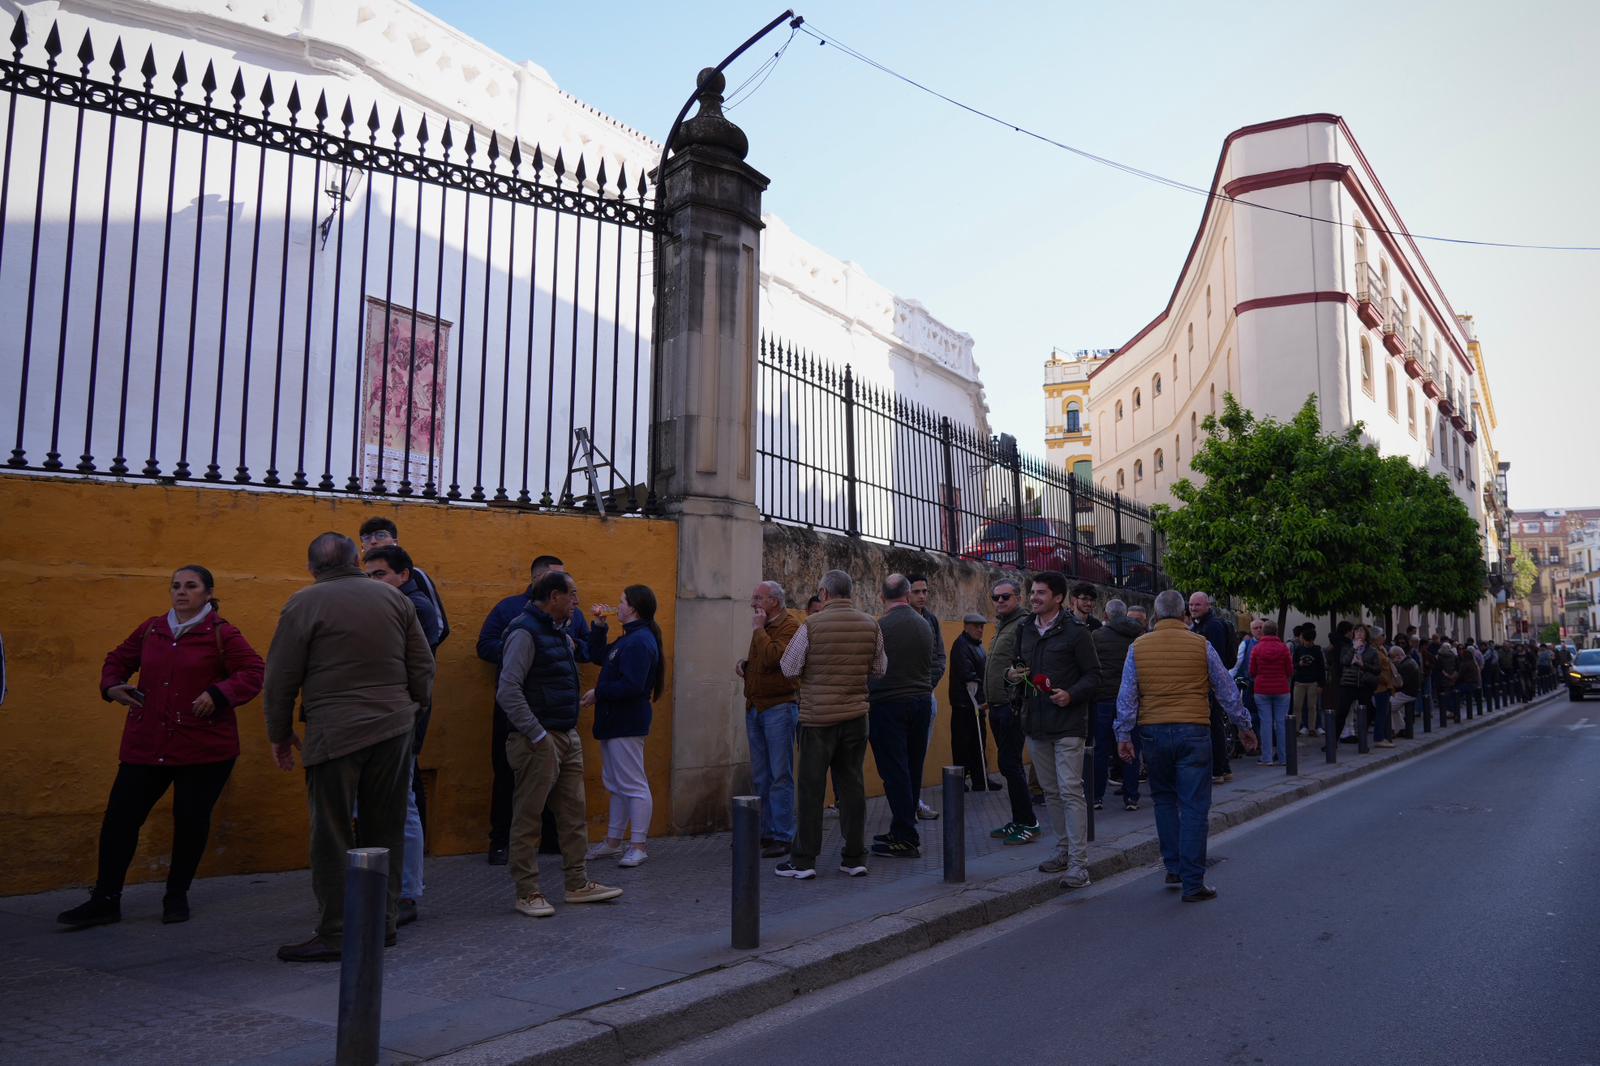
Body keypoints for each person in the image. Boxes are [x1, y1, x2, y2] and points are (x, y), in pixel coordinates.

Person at [60, 567, 264, 929]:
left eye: (191, 586)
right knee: (120, 819)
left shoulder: (222, 633)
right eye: (175, 586)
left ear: (208, 593)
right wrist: (112, 685)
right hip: (147, 742)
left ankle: (176, 895)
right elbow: (117, 659)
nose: (181, 592)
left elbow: (252, 671)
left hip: (203, 748)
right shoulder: (152, 629)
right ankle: (105, 899)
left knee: (190, 822)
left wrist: (218, 694)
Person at [265, 533, 434, 962]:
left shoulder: (303, 603)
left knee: (332, 833)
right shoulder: (394, 599)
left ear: (312, 568)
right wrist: (412, 708)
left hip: (335, 731)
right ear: (357, 561)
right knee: (387, 828)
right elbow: (422, 663)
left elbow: (281, 676)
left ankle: (338, 932)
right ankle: (384, 924)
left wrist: (279, 733)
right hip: (394, 726)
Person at [1116, 589, 1259, 901]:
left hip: (1153, 731)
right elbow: (1226, 689)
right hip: (1193, 729)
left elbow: (1127, 695)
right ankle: (1193, 882)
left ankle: (1174, 867)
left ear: (1155, 615)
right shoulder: (1200, 644)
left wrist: (1123, 735)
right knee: (1194, 805)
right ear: (1184, 615)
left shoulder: (1138, 647)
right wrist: (1244, 725)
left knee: (1164, 800)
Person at [498, 570, 623, 917]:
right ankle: (527, 892)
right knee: (529, 817)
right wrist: (537, 733)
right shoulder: (524, 633)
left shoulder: (559, 632)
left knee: (573, 815)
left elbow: (588, 654)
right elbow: (508, 689)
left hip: (565, 734)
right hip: (537, 738)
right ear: (554, 597)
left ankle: (577, 883)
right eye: (572, 595)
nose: (577, 601)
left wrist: (598, 629)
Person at [477, 554, 591, 865]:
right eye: (562, 582)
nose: (575, 598)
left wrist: (577, 645)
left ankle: (558, 848)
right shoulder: (511, 612)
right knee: (509, 779)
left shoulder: (570, 616)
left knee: (565, 792)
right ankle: (502, 844)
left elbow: (586, 648)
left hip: (560, 719)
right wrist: (524, 651)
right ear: (543, 583)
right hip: (521, 717)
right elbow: (485, 646)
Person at [776, 569, 886, 879]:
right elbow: (880, 669)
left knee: (811, 789)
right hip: (856, 717)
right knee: (852, 786)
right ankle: (854, 856)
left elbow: (788, 667)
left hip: (818, 719)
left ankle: (804, 860)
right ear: (850, 592)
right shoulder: (871, 624)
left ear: (824, 593)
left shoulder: (811, 624)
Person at [363, 544, 439, 926]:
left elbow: (416, 670)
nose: (373, 582)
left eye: (380, 575)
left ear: (404, 575)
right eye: (368, 576)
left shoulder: (415, 607)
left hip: (400, 722)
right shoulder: (388, 605)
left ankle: (407, 891)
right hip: (385, 720)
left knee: (402, 806)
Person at [1012, 571, 1101, 889]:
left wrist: (1071, 694)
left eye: (1040, 593)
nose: (1033, 597)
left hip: (1068, 724)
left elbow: (1094, 676)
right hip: (1035, 723)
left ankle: (1079, 864)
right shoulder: (1025, 628)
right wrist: (1014, 675)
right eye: (1032, 592)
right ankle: (1063, 850)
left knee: (1070, 790)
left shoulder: (1077, 632)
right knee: (1050, 792)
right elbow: (1018, 666)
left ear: (1059, 598)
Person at [584, 585, 664, 869]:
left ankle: (639, 845)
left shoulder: (639, 641)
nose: (616, 606)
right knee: (616, 783)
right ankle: (613, 840)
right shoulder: (629, 639)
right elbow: (599, 656)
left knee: (632, 784)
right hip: (614, 720)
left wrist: (599, 693)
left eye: (621, 602)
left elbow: (633, 685)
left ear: (634, 608)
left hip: (626, 721)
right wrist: (599, 626)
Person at [867, 574, 937, 859]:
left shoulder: (880, 627)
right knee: (913, 766)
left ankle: (905, 835)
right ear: (908, 595)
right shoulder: (924, 624)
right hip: (921, 701)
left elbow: (871, 667)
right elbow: (933, 663)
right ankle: (904, 827)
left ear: (882, 597)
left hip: (888, 704)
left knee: (894, 770)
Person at [738, 581, 802, 858]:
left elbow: (775, 658)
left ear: (773, 601)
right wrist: (745, 666)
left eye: (758, 598)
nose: (753, 603)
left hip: (779, 708)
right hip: (756, 706)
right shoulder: (764, 625)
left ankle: (783, 834)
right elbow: (762, 663)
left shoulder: (790, 626)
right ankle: (765, 831)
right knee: (761, 775)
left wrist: (759, 630)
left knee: (780, 775)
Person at [983, 578, 1040, 845]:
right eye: (996, 597)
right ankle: (1019, 820)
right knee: (1007, 765)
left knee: (1011, 765)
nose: (1000, 601)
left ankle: (1028, 823)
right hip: (997, 706)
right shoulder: (1004, 625)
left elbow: (1026, 665)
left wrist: (1009, 692)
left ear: (1018, 597)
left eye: (1005, 597)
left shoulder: (1023, 625)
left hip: (1012, 706)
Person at [358, 517, 449, 645]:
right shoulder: (363, 578)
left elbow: (439, 625)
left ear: (395, 542)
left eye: (381, 535)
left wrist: (426, 649)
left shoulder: (416, 575)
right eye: (367, 538)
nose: (373, 541)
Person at [1090, 599, 1144, 811]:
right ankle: (1131, 796)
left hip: (1103, 698)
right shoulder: (1138, 635)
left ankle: (1096, 796)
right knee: (1131, 745)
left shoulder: (1096, 636)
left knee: (1101, 750)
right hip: (1130, 700)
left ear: (1106, 615)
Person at [906, 573, 946, 820]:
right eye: (917, 591)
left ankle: (914, 802)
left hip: (926, 695)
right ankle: (906, 805)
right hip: (902, 697)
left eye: (925, 591)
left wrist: (928, 683)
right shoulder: (899, 618)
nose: (922, 596)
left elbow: (940, 657)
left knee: (919, 755)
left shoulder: (931, 620)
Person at [1187, 592, 1236, 782]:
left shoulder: (1212, 626)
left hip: (1211, 684)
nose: (1193, 608)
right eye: (1191, 605)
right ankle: (1223, 768)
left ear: (1208, 605)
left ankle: (1218, 770)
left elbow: (1216, 659)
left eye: (1197, 605)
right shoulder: (1200, 625)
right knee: (1215, 726)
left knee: (1214, 726)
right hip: (1208, 683)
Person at [949, 613, 996, 792]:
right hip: (964, 704)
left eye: (982, 626)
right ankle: (959, 782)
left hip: (977, 703)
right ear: (966, 626)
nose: (980, 629)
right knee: (962, 744)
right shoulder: (961, 645)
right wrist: (981, 696)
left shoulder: (977, 646)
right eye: (976, 626)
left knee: (979, 742)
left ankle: (980, 779)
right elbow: (968, 675)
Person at [1248, 620, 1292, 764]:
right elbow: (1289, 670)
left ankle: (1267, 757)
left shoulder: (1257, 649)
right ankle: (1283, 757)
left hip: (1261, 689)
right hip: (1282, 689)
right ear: (1276, 631)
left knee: (1265, 723)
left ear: (1263, 631)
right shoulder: (1284, 648)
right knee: (1281, 723)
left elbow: (1252, 671)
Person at [1334, 624, 1383, 744]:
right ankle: (1332, 742)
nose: (1359, 634)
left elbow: (1377, 669)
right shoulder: (1347, 647)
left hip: (1364, 684)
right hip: (1348, 684)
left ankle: (1362, 738)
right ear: (1353, 634)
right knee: (1341, 713)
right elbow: (1344, 662)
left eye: (1362, 632)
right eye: (1357, 632)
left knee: (1368, 712)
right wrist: (1354, 648)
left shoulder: (1372, 651)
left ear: (1366, 635)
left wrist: (1363, 665)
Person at [1292, 624, 1326, 736]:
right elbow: (1293, 664)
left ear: (1312, 640)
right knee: (1297, 706)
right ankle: (1296, 728)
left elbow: (1321, 668)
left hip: (1313, 682)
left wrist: (1321, 684)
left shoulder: (1317, 650)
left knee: (1312, 706)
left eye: (1309, 641)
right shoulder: (1298, 649)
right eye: (1305, 640)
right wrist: (1299, 664)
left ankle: (1312, 728)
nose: (1307, 643)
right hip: (1299, 681)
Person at [1390, 646, 1421, 736]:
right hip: (1410, 692)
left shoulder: (1405, 665)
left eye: (1393, 657)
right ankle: (1400, 727)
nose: (1393, 660)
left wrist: (1393, 666)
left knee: (1387, 706)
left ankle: (1393, 729)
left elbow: (1400, 683)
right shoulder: (1410, 661)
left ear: (1398, 656)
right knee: (1392, 707)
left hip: (1407, 693)